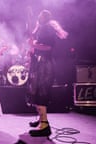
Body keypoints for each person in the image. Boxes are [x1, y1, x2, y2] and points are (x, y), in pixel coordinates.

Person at [27, 9, 68, 137]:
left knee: (41, 93)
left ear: (45, 18)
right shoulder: (42, 28)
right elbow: (39, 44)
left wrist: (34, 45)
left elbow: (48, 47)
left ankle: (44, 125)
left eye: (40, 16)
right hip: (41, 63)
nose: (38, 17)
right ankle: (41, 120)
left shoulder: (47, 29)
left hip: (45, 65)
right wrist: (33, 48)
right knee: (37, 92)